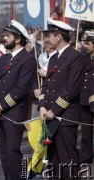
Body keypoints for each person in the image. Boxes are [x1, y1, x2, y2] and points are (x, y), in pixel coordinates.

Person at [0, 20, 36, 180]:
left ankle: (22, 177)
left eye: (8, 35)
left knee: (13, 152)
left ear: (18, 39)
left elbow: (21, 89)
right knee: (4, 154)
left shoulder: (27, 59)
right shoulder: (3, 59)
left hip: (14, 113)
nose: (4, 38)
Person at [38, 18, 85, 179]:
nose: (46, 40)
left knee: (67, 162)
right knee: (52, 162)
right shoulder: (53, 58)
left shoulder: (75, 57)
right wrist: (42, 106)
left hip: (65, 118)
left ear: (59, 37)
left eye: (49, 35)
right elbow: (46, 86)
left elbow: (71, 90)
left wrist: (53, 110)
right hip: (50, 118)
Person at [80, 30, 94, 164]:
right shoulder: (85, 59)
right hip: (85, 101)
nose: (86, 46)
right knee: (86, 132)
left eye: (88, 44)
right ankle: (86, 156)